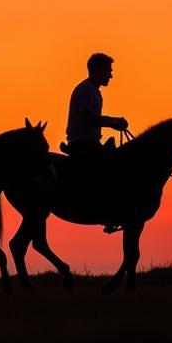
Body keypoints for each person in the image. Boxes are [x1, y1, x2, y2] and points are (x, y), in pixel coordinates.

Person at [64, 52, 128, 232]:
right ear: (97, 70)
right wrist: (113, 122)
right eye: (108, 70)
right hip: (83, 144)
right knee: (110, 170)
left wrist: (112, 123)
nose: (110, 75)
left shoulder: (93, 91)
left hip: (89, 142)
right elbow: (87, 117)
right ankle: (107, 212)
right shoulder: (86, 90)